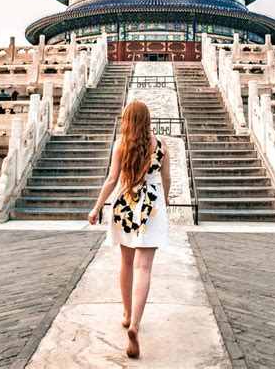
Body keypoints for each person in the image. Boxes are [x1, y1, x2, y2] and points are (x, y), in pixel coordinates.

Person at [88, 100, 171, 359]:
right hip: (151, 207)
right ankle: (135, 323)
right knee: (144, 267)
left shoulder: (121, 146)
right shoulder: (161, 146)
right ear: (148, 120)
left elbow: (111, 180)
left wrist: (96, 208)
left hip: (126, 204)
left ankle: (126, 314)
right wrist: (164, 203)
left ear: (127, 120)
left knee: (126, 263)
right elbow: (166, 179)